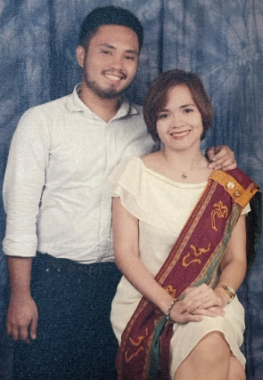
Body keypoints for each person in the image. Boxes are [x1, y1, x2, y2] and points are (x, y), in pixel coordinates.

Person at [3, 5, 237, 380]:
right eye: (106, 51)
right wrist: (20, 294)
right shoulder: (41, 122)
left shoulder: (150, 125)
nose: (117, 64)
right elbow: (20, 215)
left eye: (129, 56)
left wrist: (219, 156)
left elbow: (183, 164)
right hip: (55, 283)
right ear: (82, 55)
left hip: (126, 286)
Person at [110, 69, 260, 380]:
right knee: (222, 360)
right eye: (164, 115)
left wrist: (220, 295)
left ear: (203, 113)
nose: (177, 123)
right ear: (154, 123)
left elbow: (236, 259)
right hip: (147, 304)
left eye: (187, 110)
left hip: (213, 301)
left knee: (214, 340)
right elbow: (126, 256)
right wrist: (170, 306)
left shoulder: (229, 183)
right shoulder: (135, 173)